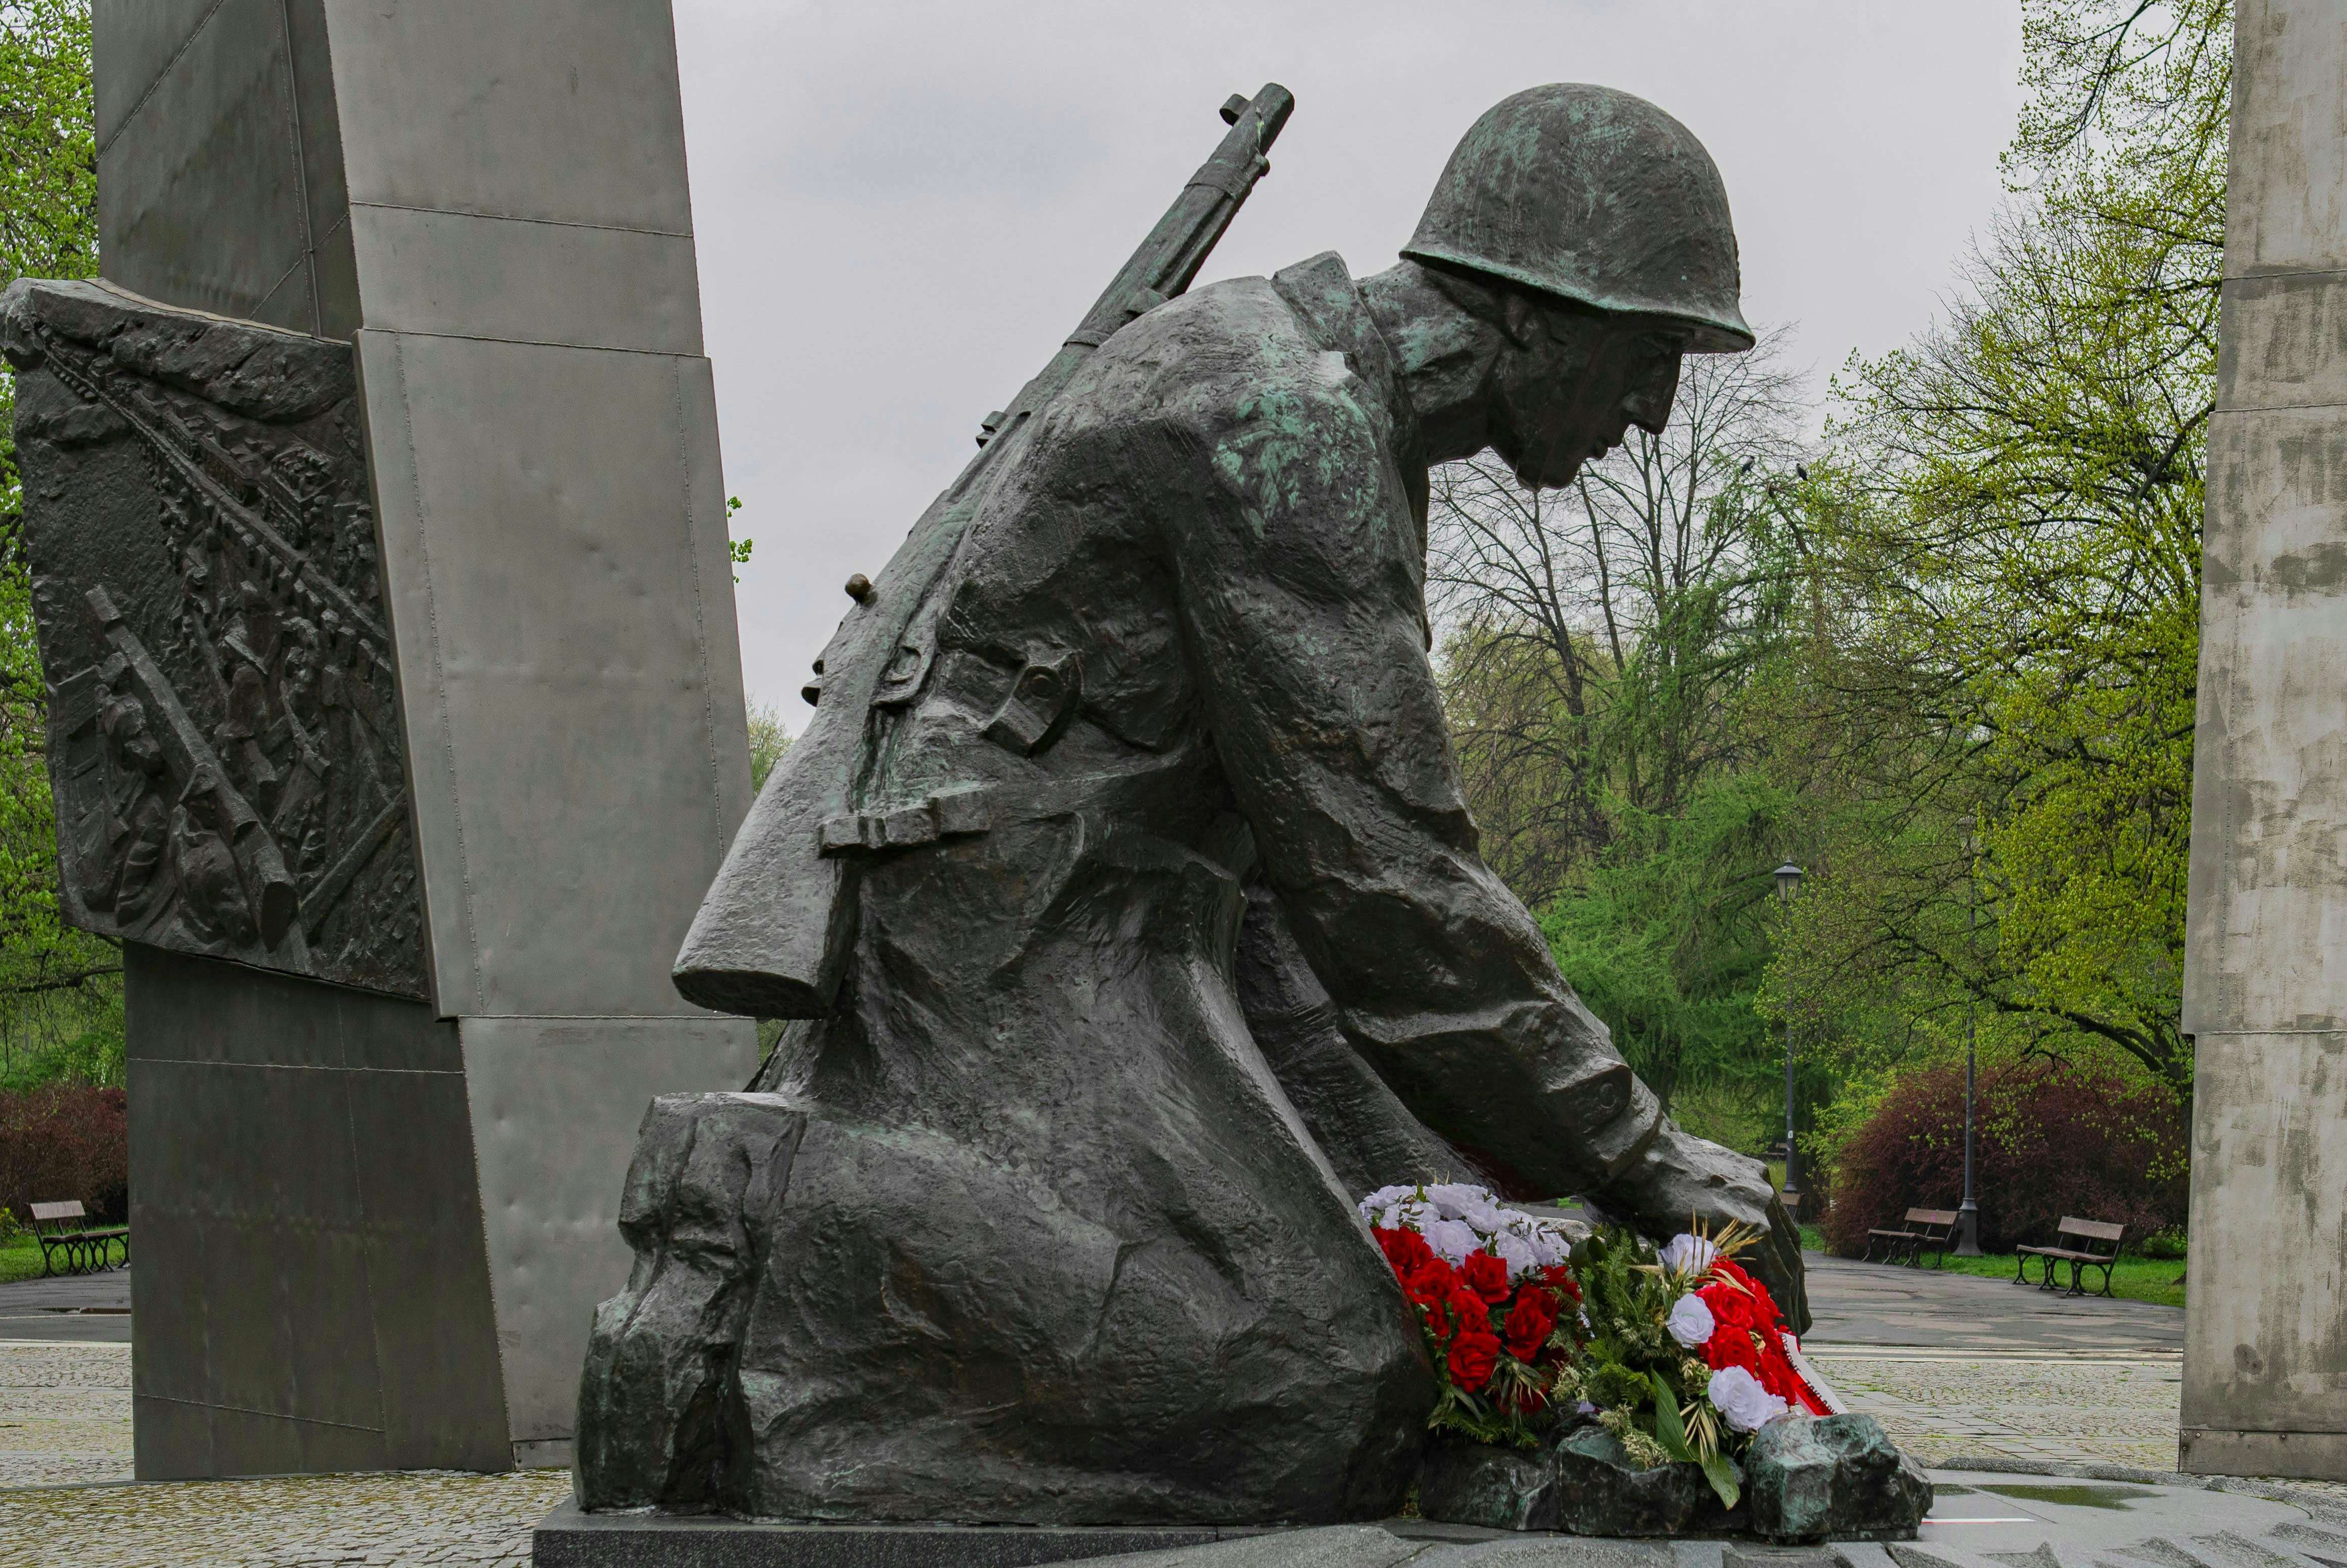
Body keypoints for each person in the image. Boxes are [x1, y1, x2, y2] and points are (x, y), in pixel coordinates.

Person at [580, 83, 1800, 1526]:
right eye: (1652, 354)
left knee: (1459, 1278)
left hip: (1185, 919)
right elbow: (1392, 884)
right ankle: (762, 1218)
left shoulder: (1354, 432)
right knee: (1317, 1372)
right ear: (1537, 316)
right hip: (1008, 926)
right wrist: (1644, 1154)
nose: (1654, 412)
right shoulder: (1281, 418)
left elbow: (1327, 888)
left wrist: (1564, 1183)